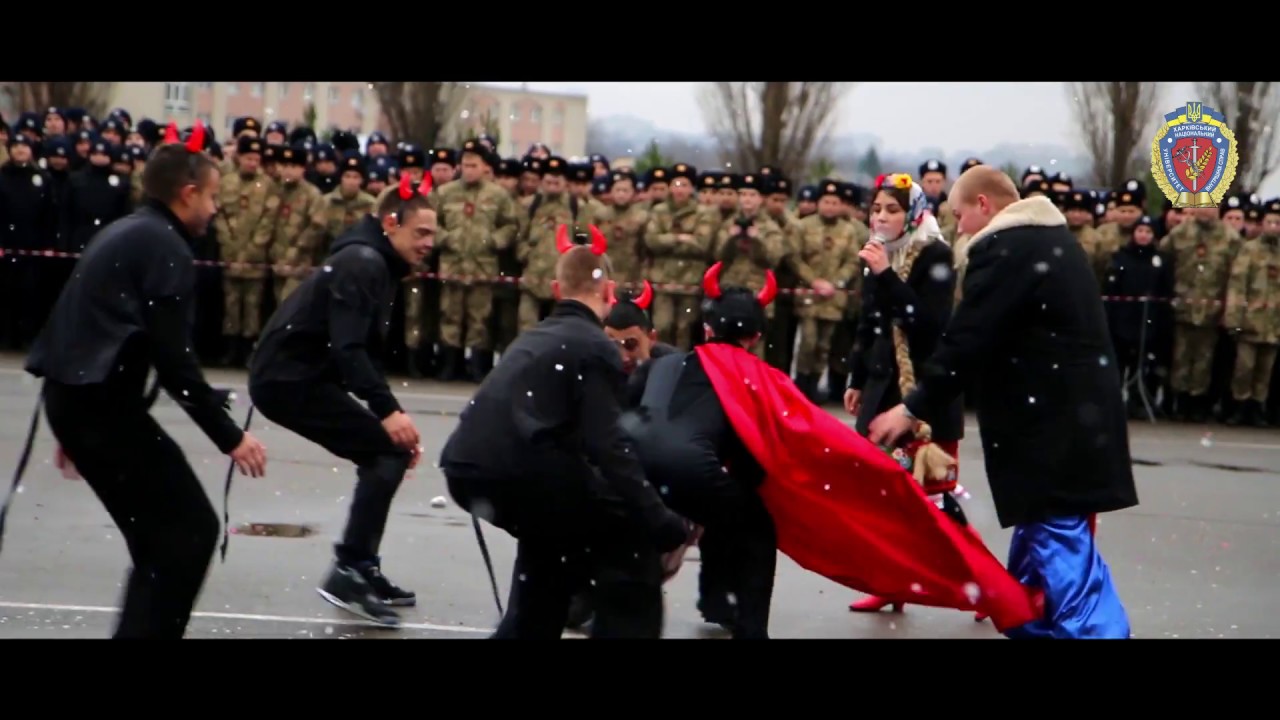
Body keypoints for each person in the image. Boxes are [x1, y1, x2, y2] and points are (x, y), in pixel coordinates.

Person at [868, 165, 1138, 639]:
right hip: (1068, 420)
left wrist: (911, 408)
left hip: (1048, 429)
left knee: (1060, 546)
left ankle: (1098, 635)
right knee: (1033, 561)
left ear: (984, 206)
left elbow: (966, 340)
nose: (958, 229)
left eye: (959, 216)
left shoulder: (1003, 250)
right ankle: (1035, 627)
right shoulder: (1052, 241)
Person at [22, 124, 269, 639]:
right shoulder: (165, 246)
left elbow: (74, 323)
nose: (216, 209)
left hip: (82, 401)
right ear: (189, 193)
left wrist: (68, 420)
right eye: (213, 197)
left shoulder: (129, 229)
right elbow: (174, 359)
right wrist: (231, 437)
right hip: (99, 409)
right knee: (190, 533)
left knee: (160, 543)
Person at [440, 225, 695, 639]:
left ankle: (551, 607)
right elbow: (608, 445)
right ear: (611, 293)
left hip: (468, 466)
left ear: (557, 290)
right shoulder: (594, 346)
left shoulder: (536, 336)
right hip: (522, 474)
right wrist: (659, 518)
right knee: (627, 541)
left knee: (544, 580)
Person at [248, 173, 435, 628]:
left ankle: (361, 566)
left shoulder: (378, 262)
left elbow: (363, 350)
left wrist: (386, 411)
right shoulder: (363, 263)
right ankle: (350, 569)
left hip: (302, 376)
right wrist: (388, 412)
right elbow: (348, 348)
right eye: (421, 232)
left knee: (388, 452)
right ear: (390, 223)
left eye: (434, 232)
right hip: (287, 380)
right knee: (385, 453)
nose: (430, 242)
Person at [842, 172, 983, 620]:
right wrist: (856, 378)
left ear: (913, 213)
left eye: (892, 210)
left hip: (925, 396)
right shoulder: (875, 254)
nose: (881, 218)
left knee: (938, 504)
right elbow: (868, 322)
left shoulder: (934, 254)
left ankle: (984, 581)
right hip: (882, 390)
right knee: (880, 501)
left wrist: (886, 275)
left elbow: (927, 326)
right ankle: (888, 584)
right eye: (876, 209)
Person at [621, 264, 781, 638]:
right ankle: (748, 627)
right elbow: (751, 457)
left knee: (635, 529)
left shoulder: (661, 363)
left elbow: (624, 417)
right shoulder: (751, 377)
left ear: (706, 329)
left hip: (633, 464)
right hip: (692, 469)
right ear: (756, 337)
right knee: (755, 526)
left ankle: (598, 605)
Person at [563, 280, 677, 631]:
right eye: (613, 343)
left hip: (649, 483)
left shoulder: (672, 370)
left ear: (651, 339)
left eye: (632, 344)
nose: (623, 354)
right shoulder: (593, 363)